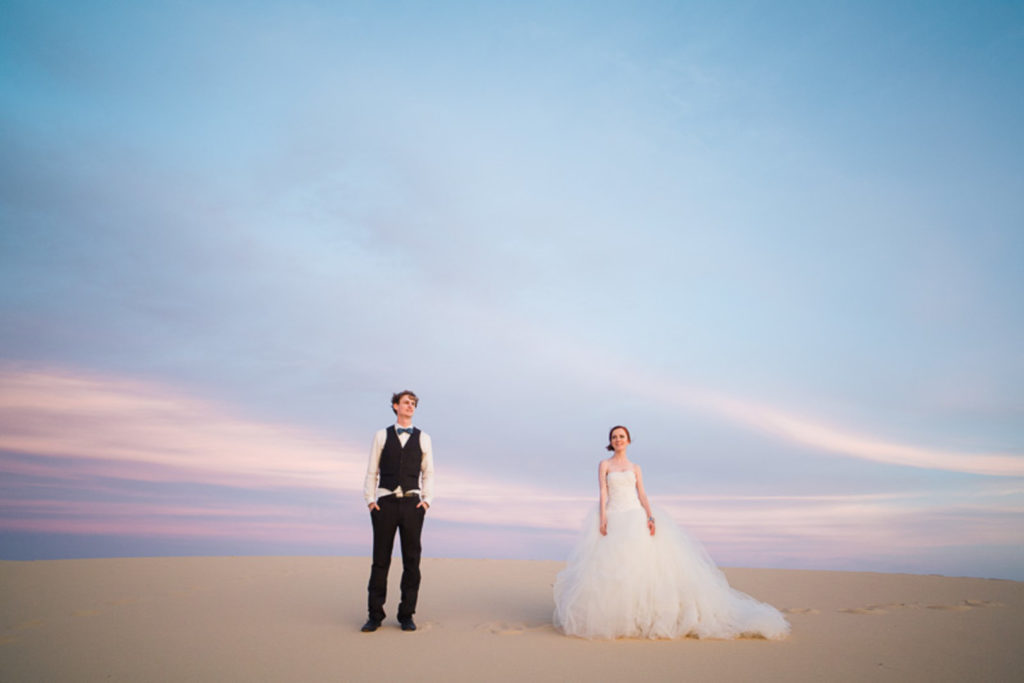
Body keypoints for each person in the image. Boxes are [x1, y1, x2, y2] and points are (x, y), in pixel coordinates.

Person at [553, 425, 790, 640]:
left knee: (640, 566)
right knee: (612, 569)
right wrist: (603, 518)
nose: (618, 440)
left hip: (635, 515)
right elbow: (603, 492)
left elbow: (642, 494)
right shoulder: (605, 465)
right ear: (610, 441)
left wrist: (650, 515)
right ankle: (617, 616)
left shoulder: (635, 467)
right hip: (614, 515)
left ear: (628, 440)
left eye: (622, 436)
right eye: (614, 437)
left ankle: (643, 614)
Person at [361, 390, 434, 632]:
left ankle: (406, 615)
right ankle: (375, 615)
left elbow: (429, 473)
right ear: (395, 406)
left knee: (412, 561)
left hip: (413, 505)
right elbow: (372, 470)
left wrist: (426, 501)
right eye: (406, 402)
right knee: (380, 561)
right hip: (386, 504)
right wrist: (371, 501)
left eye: (413, 403)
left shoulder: (424, 438)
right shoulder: (381, 435)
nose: (410, 406)